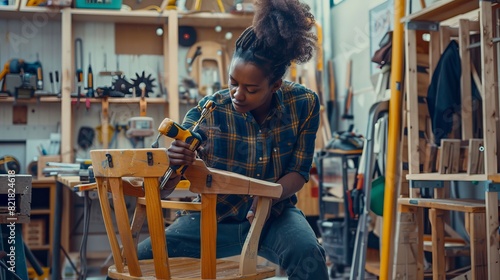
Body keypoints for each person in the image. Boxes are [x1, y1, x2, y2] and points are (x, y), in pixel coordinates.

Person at [138, 0, 329, 278]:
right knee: (141, 257)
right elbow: (164, 188)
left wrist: (268, 196)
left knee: (309, 255)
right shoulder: (210, 110)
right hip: (213, 218)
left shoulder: (304, 104)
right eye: (233, 82)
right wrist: (175, 160)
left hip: (274, 217)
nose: (238, 94)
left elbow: (298, 173)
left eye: (251, 88)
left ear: (275, 85)